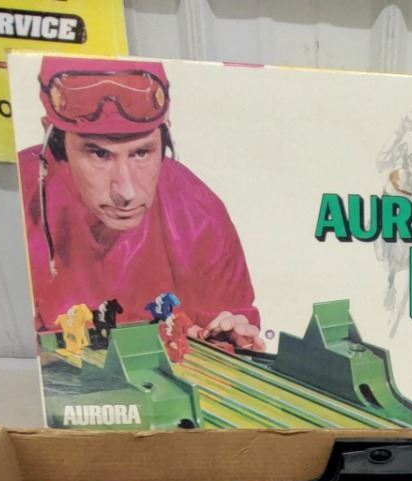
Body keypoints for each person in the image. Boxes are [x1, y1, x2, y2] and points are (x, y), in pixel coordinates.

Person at [20, 59, 261, 353]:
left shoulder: (201, 217)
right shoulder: (15, 201)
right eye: (98, 154)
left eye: (142, 152)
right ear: (56, 145)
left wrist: (231, 342)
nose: (126, 191)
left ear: (165, 137)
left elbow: (231, 331)